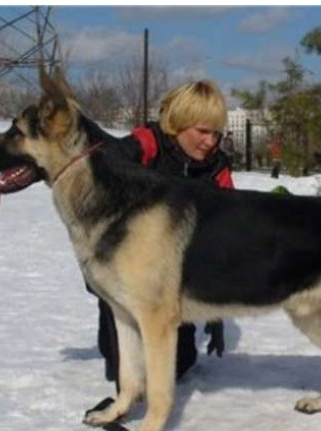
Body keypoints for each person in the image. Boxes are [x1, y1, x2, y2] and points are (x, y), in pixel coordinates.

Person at [92, 79, 234, 396]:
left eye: (217, 133)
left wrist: (217, 309)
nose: (210, 141)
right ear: (179, 125)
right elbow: (104, 163)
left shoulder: (217, 169)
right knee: (118, 363)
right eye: (202, 131)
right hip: (127, 268)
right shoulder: (149, 141)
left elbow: (226, 233)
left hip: (179, 278)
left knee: (179, 365)